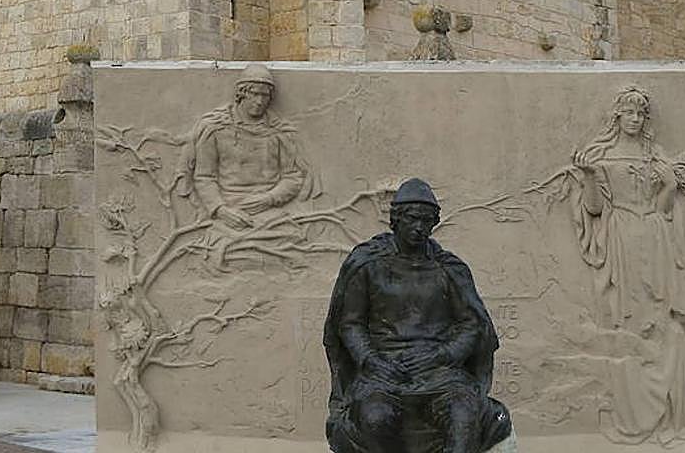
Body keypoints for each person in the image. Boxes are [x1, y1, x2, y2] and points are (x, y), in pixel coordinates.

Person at [323, 179, 512, 453]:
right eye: (412, 218)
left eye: (426, 220)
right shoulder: (368, 263)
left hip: (441, 371)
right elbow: (350, 323)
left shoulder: (448, 268)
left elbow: (472, 324)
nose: (419, 227)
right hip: (384, 372)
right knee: (375, 418)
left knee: (464, 415)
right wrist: (371, 359)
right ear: (396, 219)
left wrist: (444, 354)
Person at [569, 86, 685, 440]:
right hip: (621, 239)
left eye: (640, 114)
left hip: (653, 238)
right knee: (627, 326)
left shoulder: (656, 158)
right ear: (617, 117)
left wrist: (669, 184)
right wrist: (590, 176)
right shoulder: (601, 156)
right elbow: (593, 209)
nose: (634, 119)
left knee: (658, 320)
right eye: (628, 113)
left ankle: (665, 416)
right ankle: (630, 416)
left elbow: (666, 208)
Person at [184, 64, 316, 230]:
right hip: (229, 208)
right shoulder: (216, 129)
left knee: (293, 238)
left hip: (271, 209)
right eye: (254, 94)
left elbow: (292, 176)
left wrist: (270, 198)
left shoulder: (280, 131)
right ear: (241, 93)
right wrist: (220, 210)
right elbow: (204, 177)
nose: (259, 101)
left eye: (265, 95)